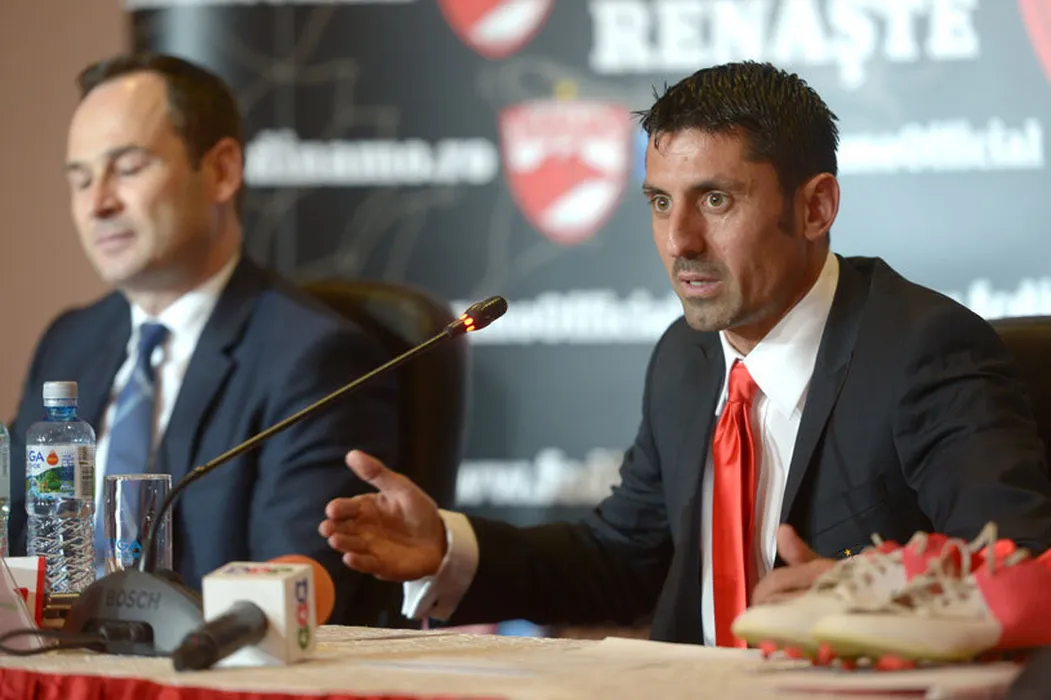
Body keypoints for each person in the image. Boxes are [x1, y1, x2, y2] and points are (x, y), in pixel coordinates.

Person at [317, 61, 1051, 645]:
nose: (679, 241)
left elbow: (1019, 564)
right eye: (660, 201)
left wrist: (871, 591)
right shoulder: (687, 357)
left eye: (716, 200)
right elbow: (624, 559)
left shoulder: (924, 351)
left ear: (815, 207)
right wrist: (448, 548)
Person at [7, 52, 401, 626]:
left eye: (128, 168)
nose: (98, 204)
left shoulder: (314, 358)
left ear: (221, 171)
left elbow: (295, 585)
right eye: (80, 179)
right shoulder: (70, 341)